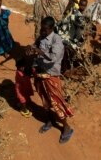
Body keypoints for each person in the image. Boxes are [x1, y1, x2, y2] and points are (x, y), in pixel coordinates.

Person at [28, 16, 74, 144]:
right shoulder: (42, 36)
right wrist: (30, 49)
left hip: (51, 76)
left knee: (56, 102)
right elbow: (36, 44)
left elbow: (53, 58)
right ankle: (49, 121)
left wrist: (40, 52)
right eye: (42, 29)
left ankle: (66, 127)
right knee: (45, 101)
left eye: (45, 30)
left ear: (52, 28)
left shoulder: (56, 40)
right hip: (39, 73)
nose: (42, 32)